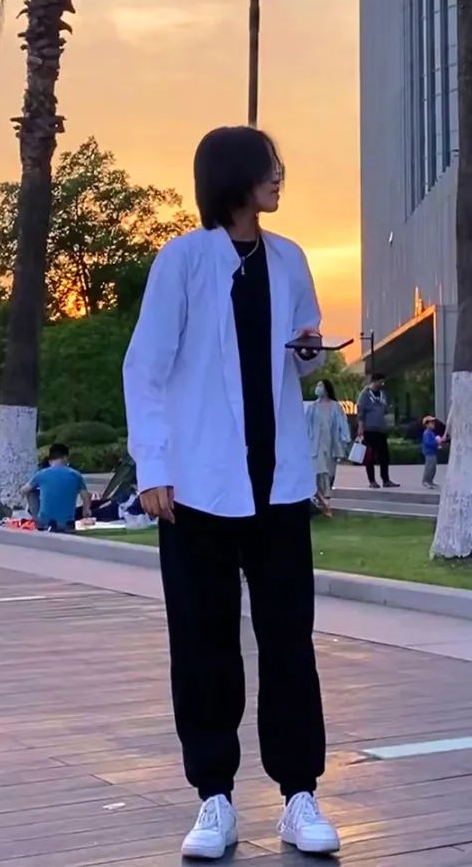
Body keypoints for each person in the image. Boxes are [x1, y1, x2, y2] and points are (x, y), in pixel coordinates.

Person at [123, 126, 340, 861]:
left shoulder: (290, 259)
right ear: (236, 177)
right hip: (198, 489)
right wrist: (153, 467)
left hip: (277, 489)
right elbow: (145, 369)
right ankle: (213, 798)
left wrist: (308, 350)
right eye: (270, 168)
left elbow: (299, 364)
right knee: (203, 643)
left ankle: (299, 794)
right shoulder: (183, 261)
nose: (280, 178)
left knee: (289, 642)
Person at [306, 378, 349, 515]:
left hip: (331, 444)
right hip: (315, 444)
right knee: (319, 470)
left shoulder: (336, 407)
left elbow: (342, 425)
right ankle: (321, 499)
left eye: (320, 385)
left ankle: (325, 498)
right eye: (317, 385)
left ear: (326, 389)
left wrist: (344, 440)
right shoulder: (313, 407)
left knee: (329, 472)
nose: (317, 388)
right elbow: (306, 426)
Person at [25, 444, 91, 532]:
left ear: (49, 460)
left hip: (45, 523)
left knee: (31, 492)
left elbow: (24, 490)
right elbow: (86, 496)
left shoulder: (41, 474)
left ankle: (38, 522)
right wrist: (86, 510)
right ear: (65, 458)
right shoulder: (76, 475)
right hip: (68, 523)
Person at [356, 375, 398, 489]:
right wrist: (360, 427)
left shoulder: (383, 394)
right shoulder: (364, 395)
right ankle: (372, 481)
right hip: (369, 429)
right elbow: (360, 412)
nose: (382, 384)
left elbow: (387, 410)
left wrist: (390, 424)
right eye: (381, 382)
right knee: (370, 456)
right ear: (374, 381)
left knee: (384, 456)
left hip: (381, 429)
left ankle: (386, 480)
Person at [421, 415, 443, 489]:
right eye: (431, 423)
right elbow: (428, 443)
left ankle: (430, 481)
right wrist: (436, 442)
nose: (433, 424)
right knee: (429, 467)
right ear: (427, 424)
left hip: (433, 452)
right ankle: (425, 481)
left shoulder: (431, 433)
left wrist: (438, 443)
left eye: (433, 423)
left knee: (433, 468)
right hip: (429, 453)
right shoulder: (427, 433)